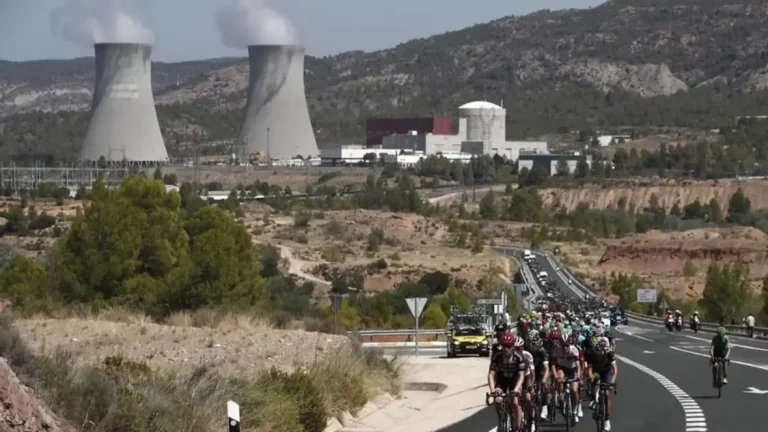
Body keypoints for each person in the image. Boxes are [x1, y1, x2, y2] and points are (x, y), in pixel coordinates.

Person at [489, 334, 528, 432]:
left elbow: (521, 376)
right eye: (504, 346)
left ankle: (518, 427)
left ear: (513, 347)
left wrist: (516, 390)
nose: (506, 349)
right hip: (502, 381)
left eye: (509, 346)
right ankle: (500, 419)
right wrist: (492, 390)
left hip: (515, 382)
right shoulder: (497, 356)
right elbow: (491, 374)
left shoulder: (519, 357)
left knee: (515, 402)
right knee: (497, 400)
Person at [591, 338, 618, 432]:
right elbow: (590, 369)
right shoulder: (595, 354)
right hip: (597, 371)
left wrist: (612, 381)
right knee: (595, 383)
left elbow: (615, 369)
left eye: (605, 349)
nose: (603, 351)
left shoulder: (610, 354)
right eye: (601, 349)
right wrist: (592, 378)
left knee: (607, 394)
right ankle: (594, 399)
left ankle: (606, 419)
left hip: (606, 373)